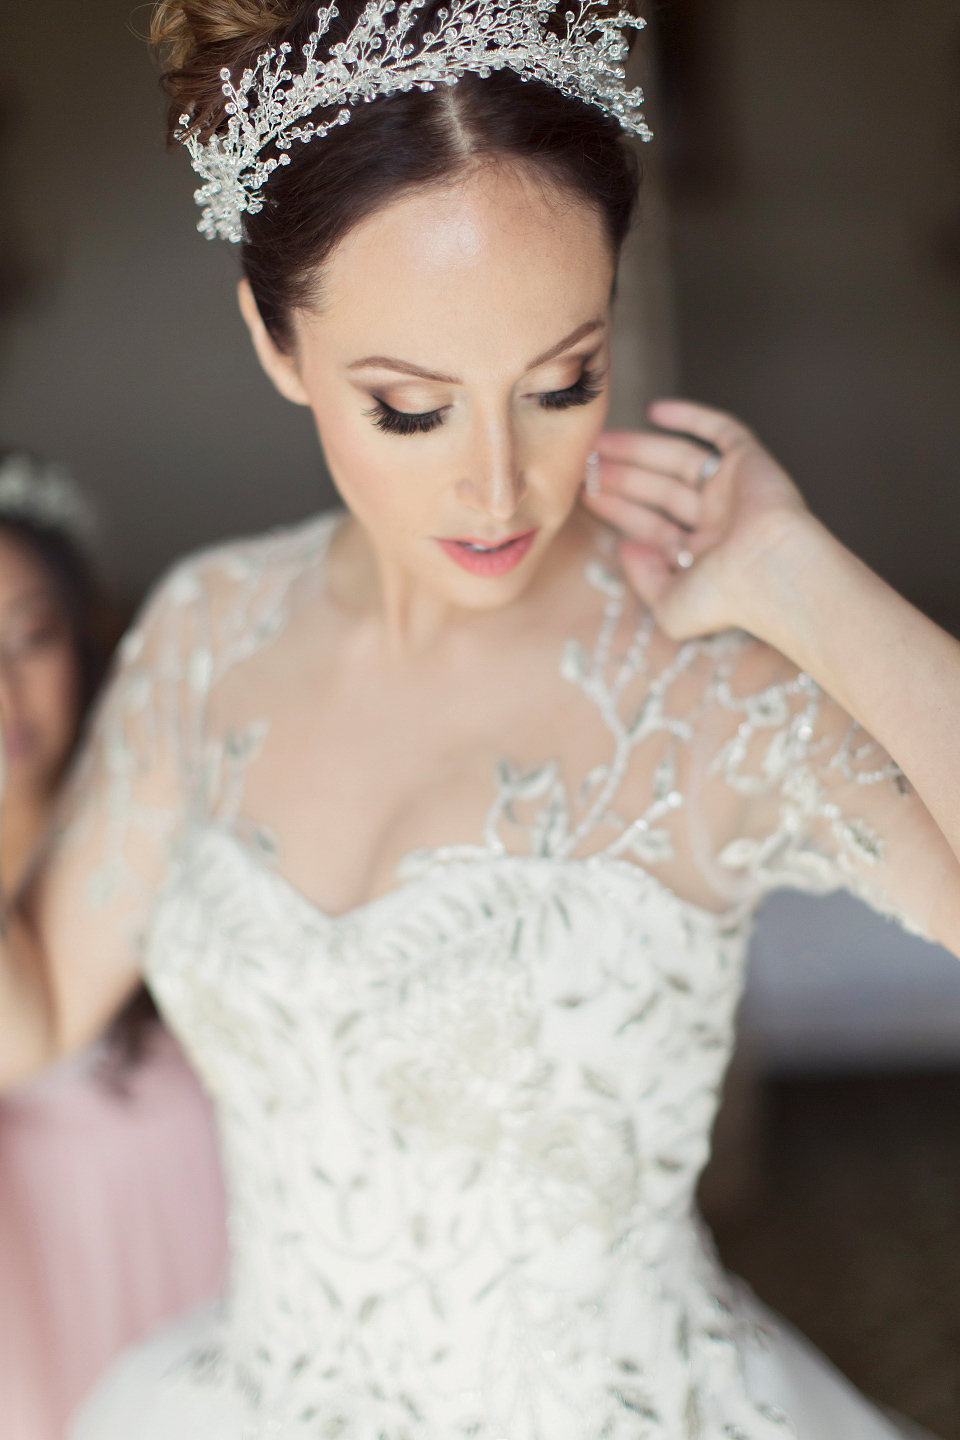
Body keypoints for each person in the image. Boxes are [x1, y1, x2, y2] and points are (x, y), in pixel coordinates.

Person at [0, 0, 953, 1434]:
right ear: (274, 336)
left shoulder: (700, 681)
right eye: (411, 409)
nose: (500, 486)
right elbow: (36, 1012)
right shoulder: (207, 630)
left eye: (563, 382)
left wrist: (803, 584)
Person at [0, 454, 227, 1439]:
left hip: (190, 1225)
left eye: (29, 637)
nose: (2, 684)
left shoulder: (152, 815)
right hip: (28, 1286)